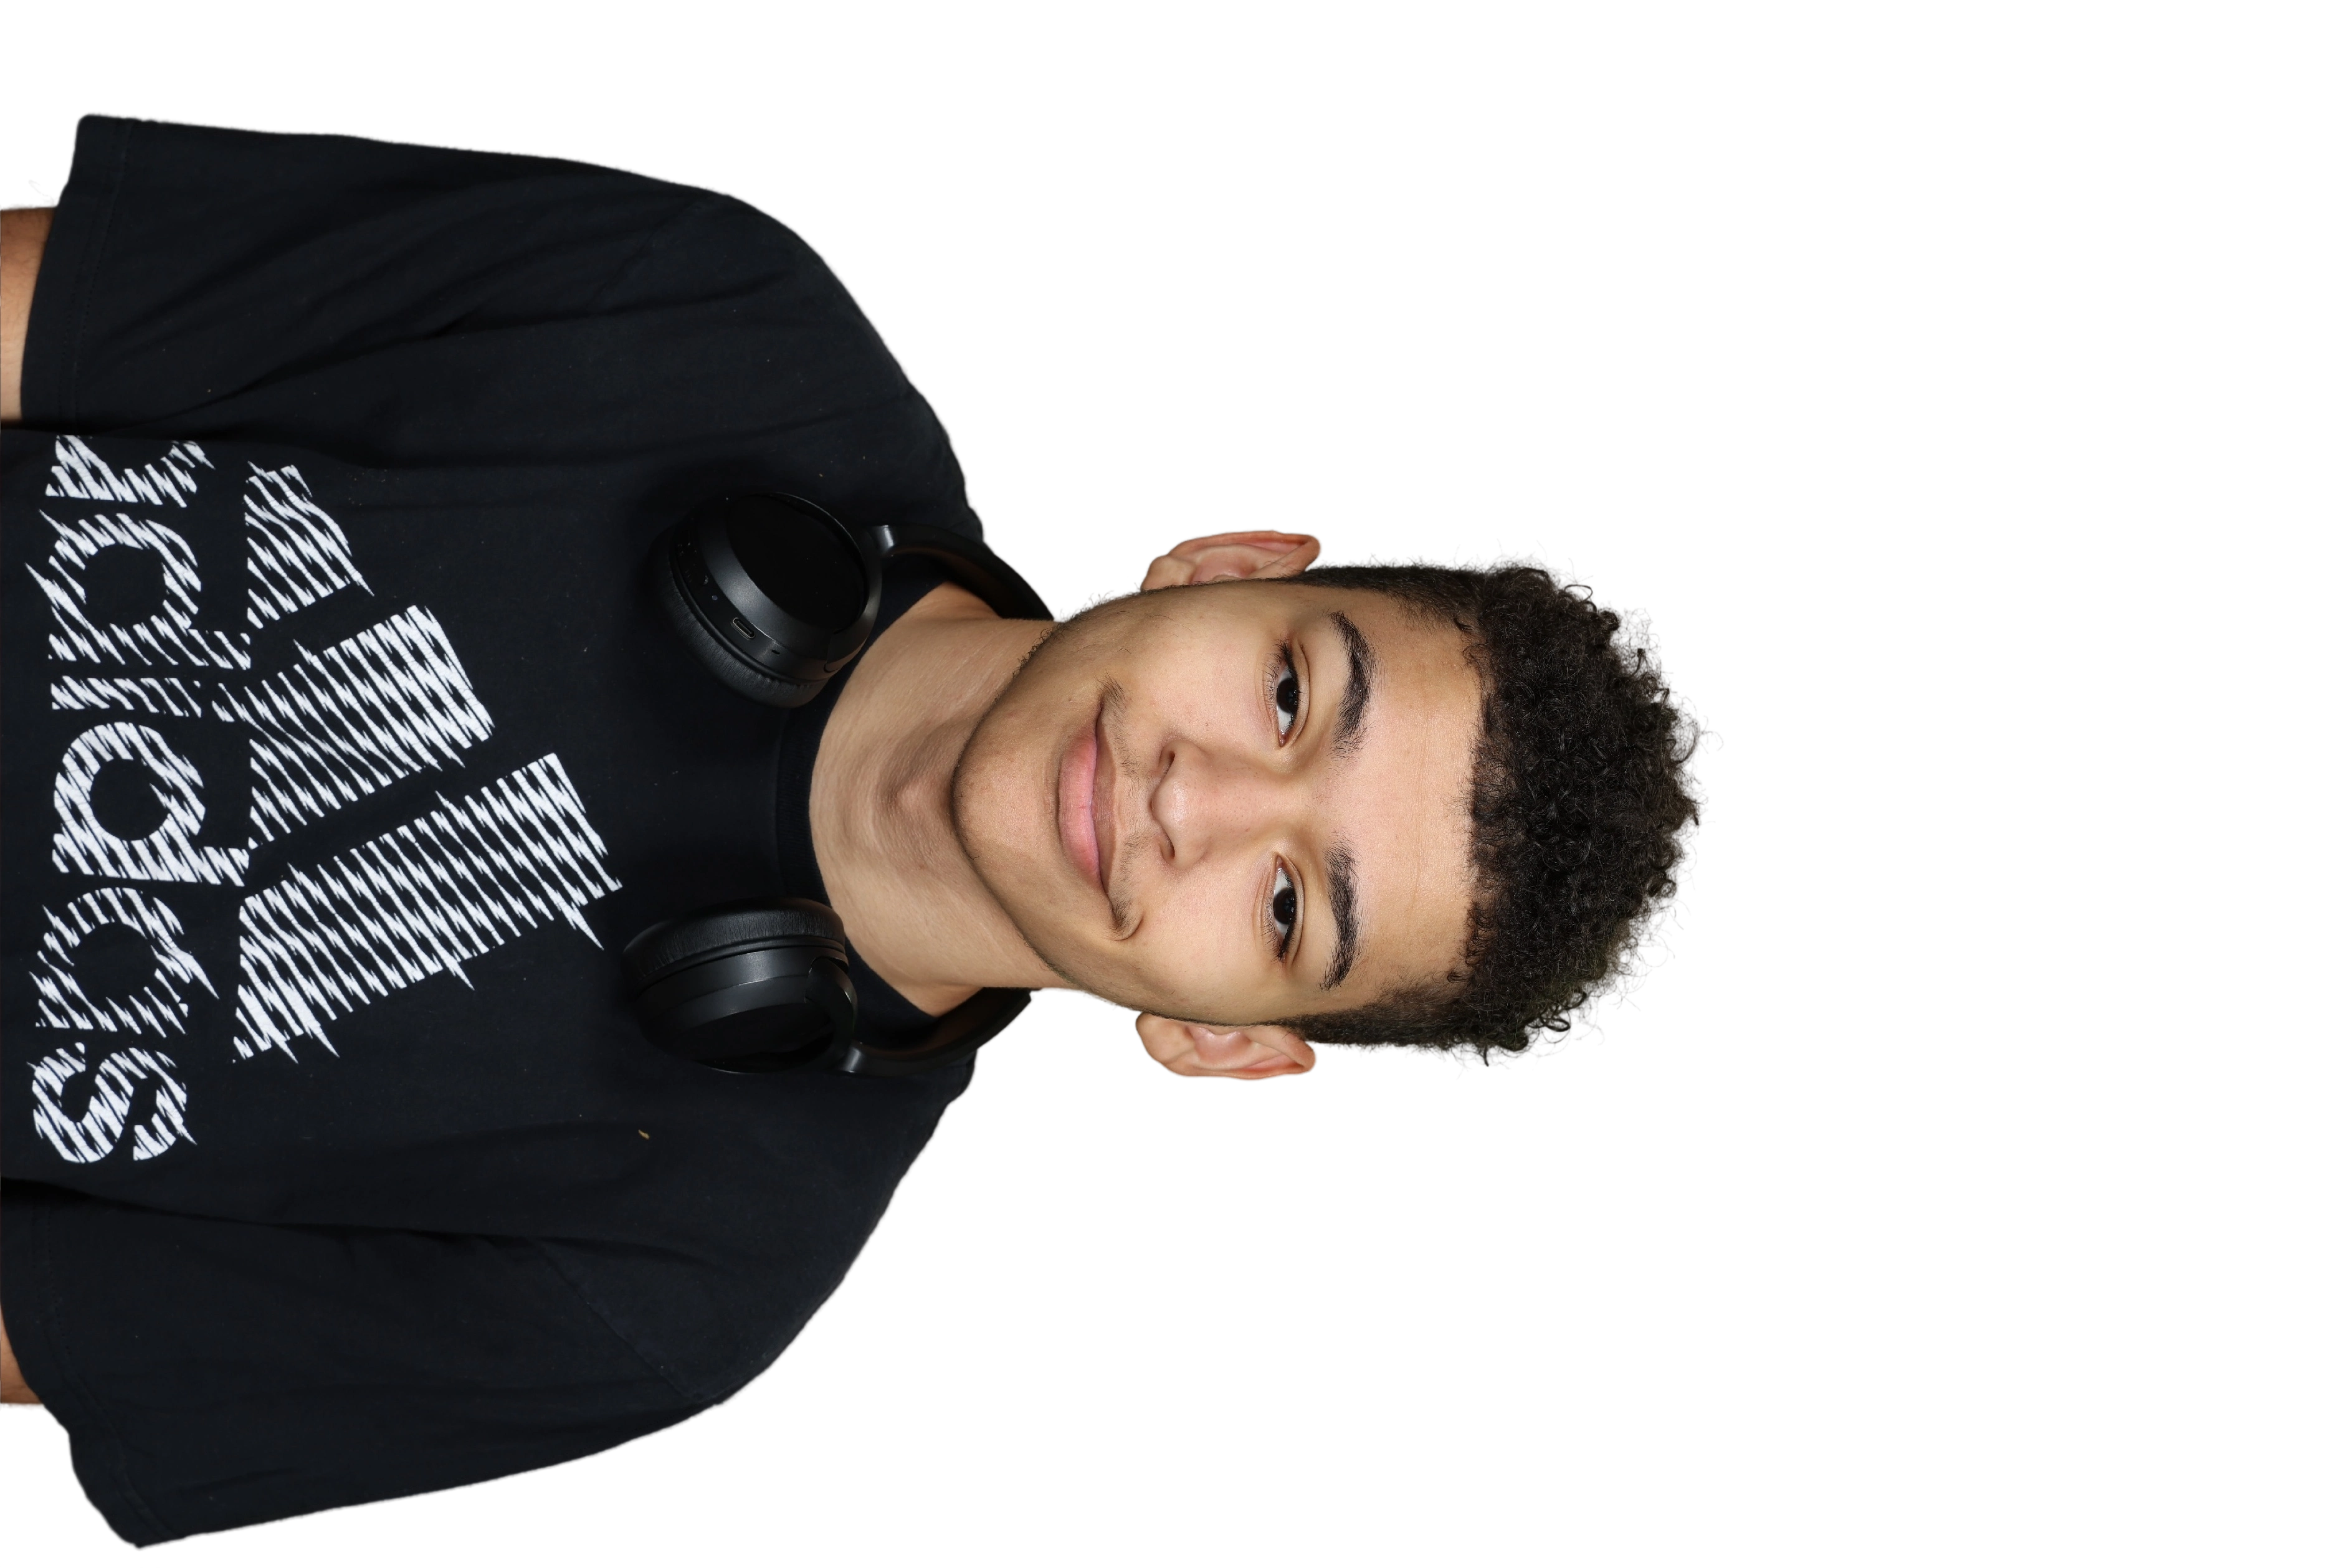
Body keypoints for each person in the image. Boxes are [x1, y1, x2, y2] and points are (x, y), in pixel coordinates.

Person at [0, 113, 1721, 1548]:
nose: (1194, 800)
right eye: (1289, 695)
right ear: (1230, 562)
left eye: (1288, 907)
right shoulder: (709, 312)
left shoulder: (669, 1293)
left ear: (1223, 1039)